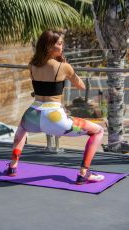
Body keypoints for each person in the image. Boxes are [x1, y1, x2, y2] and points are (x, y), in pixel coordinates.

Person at [6, 30, 104, 185]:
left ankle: (12, 166)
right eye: (59, 43)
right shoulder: (63, 67)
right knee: (99, 131)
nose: (62, 46)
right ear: (49, 47)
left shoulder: (31, 65)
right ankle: (84, 173)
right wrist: (66, 66)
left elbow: (40, 85)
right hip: (54, 118)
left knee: (21, 129)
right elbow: (81, 85)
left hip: (33, 114)